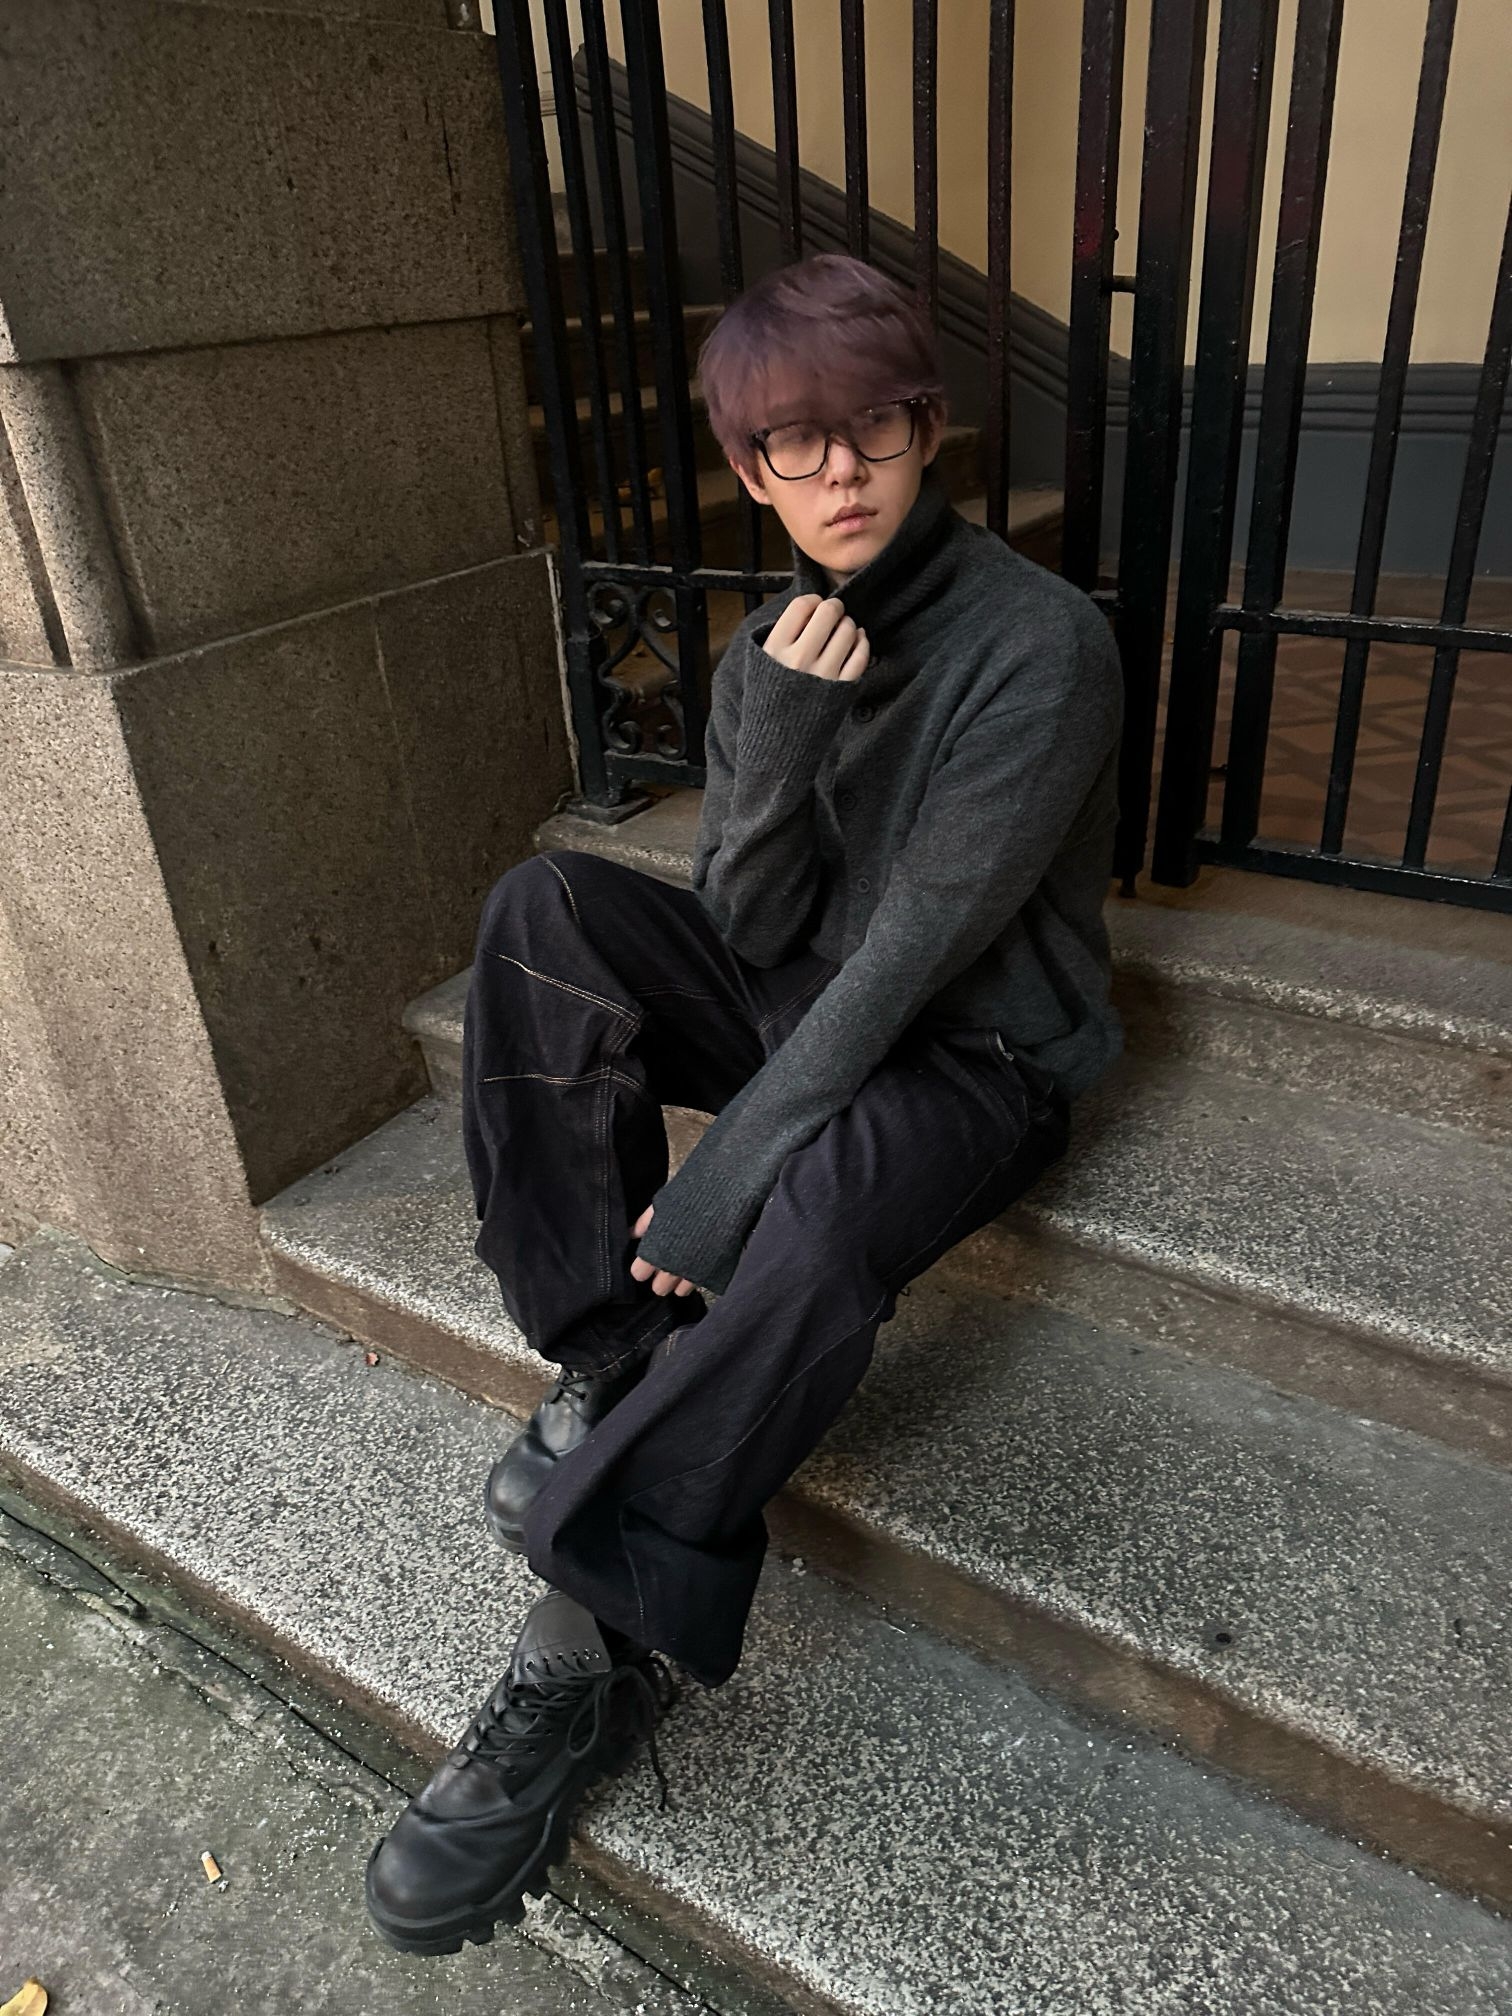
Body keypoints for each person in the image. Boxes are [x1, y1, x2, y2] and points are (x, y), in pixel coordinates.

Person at [364, 251, 1125, 1954]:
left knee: (826, 1200)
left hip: (978, 1054)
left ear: (929, 428)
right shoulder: (774, 644)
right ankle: (615, 1351)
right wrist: (776, 725)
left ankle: (587, 1647)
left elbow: (913, 956)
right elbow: (755, 923)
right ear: (751, 467)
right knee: (547, 911)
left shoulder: (1042, 646)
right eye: (794, 444)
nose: (839, 473)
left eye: (872, 429)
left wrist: (735, 1171)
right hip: (810, 1001)